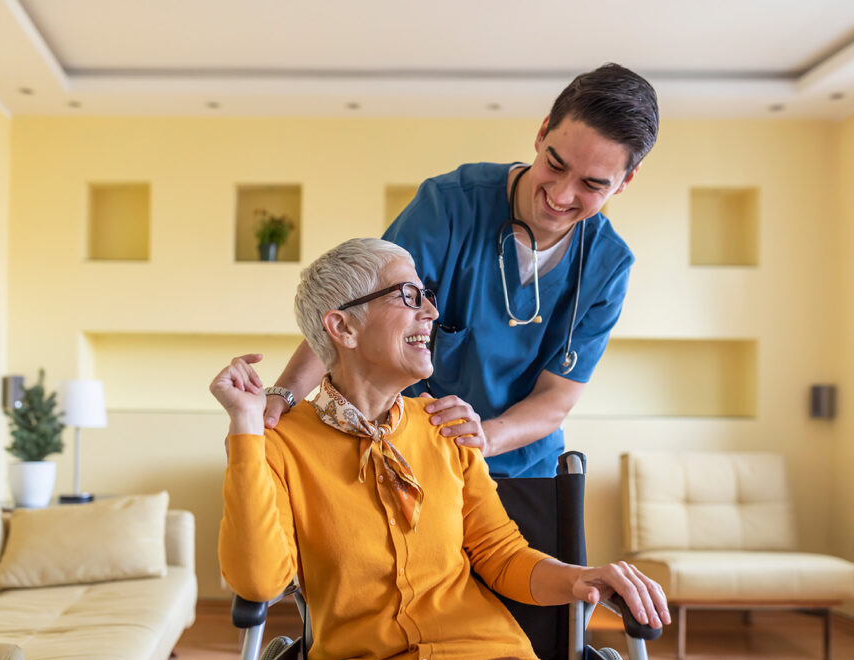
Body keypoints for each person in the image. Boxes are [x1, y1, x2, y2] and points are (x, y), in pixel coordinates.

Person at [214, 238, 669, 660]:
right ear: (343, 328)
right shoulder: (279, 444)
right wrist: (246, 430)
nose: (431, 312)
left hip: (487, 652)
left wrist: (582, 578)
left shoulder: (445, 427)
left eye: (426, 297)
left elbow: (501, 556)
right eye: (408, 296)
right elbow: (259, 583)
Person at [260, 63, 658, 478]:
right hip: (414, 450)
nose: (560, 195)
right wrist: (283, 396)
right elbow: (354, 310)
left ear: (625, 180)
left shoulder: (607, 265)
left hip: (522, 467)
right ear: (541, 133)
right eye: (555, 165)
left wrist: (483, 439)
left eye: (592, 185)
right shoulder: (448, 207)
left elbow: (557, 396)